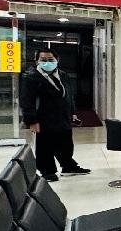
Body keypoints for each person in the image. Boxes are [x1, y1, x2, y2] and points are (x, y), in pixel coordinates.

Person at [19, 48, 89, 181]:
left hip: (63, 116)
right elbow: (26, 101)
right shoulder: (31, 77)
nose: (47, 62)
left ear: (57, 60)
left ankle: (68, 166)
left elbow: (68, 95)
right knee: (45, 145)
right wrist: (32, 121)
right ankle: (47, 171)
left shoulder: (62, 75)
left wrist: (72, 112)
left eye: (50, 60)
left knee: (65, 143)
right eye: (43, 60)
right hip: (43, 117)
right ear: (37, 61)